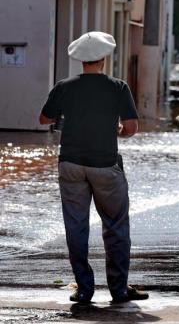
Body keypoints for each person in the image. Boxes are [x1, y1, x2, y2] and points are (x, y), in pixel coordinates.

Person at [39, 31, 148, 304]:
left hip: (71, 165)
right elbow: (132, 128)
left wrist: (65, 117)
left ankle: (84, 288)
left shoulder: (64, 86)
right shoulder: (118, 87)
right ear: (103, 58)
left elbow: (43, 119)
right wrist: (118, 131)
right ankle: (119, 289)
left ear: (80, 60)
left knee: (76, 227)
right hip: (105, 165)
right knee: (115, 226)